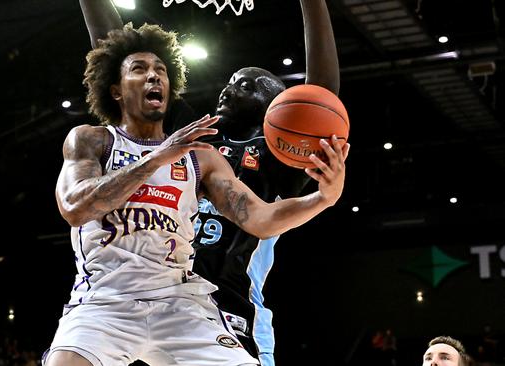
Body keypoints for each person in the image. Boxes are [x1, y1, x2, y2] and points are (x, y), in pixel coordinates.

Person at [43, 15, 348, 366]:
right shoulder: (96, 140)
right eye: (140, 69)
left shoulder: (206, 156)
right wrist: (156, 158)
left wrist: (324, 197)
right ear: (116, 88)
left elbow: (261, 219)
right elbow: (74, 208)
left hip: (191, 298)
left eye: (160, 68)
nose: (153, 74)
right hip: (106, 298)